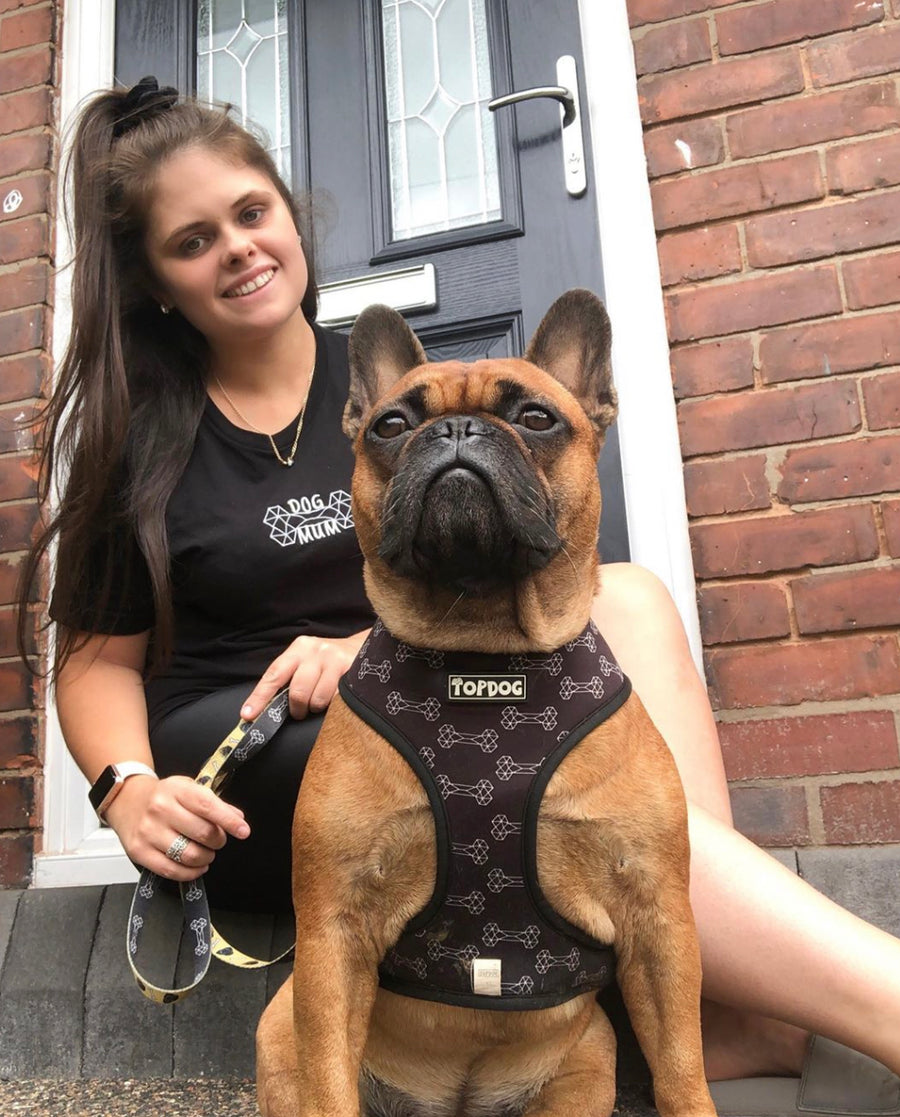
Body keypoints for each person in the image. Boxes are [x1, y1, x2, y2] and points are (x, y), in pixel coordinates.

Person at [19, 78, 900, 1109]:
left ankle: (705, 975)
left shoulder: (399, 385)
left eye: (253, 214)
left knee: (634, 601)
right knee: (454, 738)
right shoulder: (145, 441)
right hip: (261, 748)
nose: (239, 249)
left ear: (291, 219)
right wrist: (126, 788)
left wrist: (361, 647)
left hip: (424, 687)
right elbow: (94, 659)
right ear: (158, 283)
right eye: (193, 240)